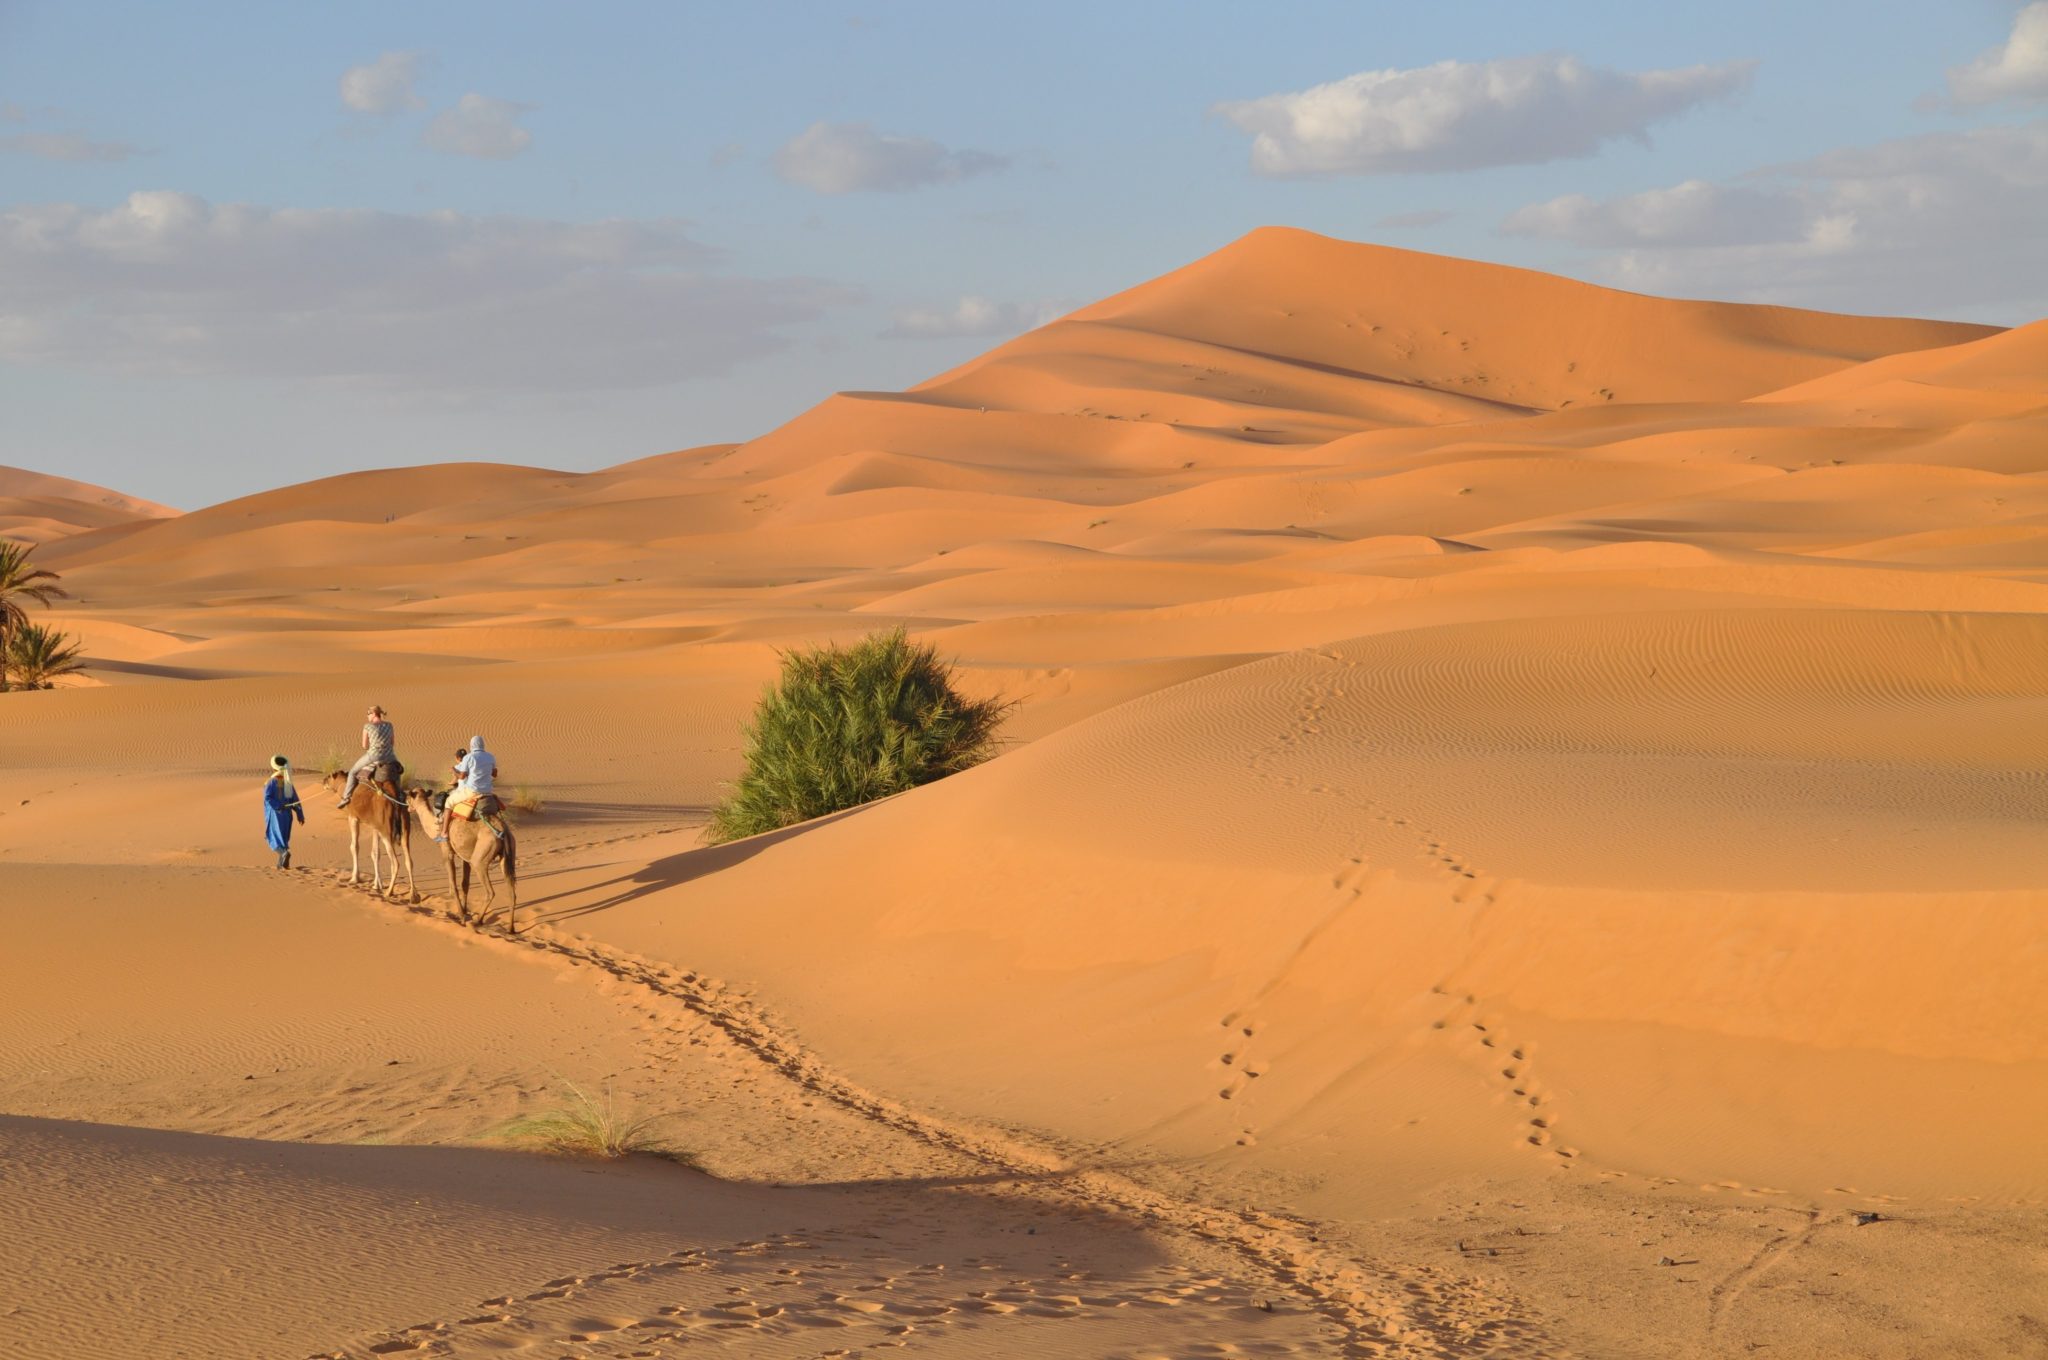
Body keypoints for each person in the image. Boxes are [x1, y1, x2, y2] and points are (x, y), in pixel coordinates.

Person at [437, 734, 499, 842]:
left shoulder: (468, 757)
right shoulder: (491, 757)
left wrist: (453, 771)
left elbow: (461, 776)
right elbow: (494, 774)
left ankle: (444, 833)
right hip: (488, 792)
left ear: (472, 745)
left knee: (448, 802)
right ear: (482, 744)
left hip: (472, 791)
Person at [337, 704, 396, 807]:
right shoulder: (389, 725)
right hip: (390, 756)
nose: (367, 716)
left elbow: (364, 746)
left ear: (374, 714)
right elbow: (392, 743)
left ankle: (345, 798)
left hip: (374, 755)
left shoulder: (367, 726)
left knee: (352, 772)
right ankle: (400, 796)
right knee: (398, 772)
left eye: (368, 714)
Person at [263, 754, 305, 869]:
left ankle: (284, 854)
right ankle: (281, 865)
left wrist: (278, 806)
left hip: (276, 815)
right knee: (282, 839)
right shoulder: (287, 783)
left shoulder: (271, 782)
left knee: (272, 838)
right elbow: (295, 801)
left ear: (274, 767)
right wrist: (300, 815)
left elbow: (268, 798)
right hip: (287, 816)